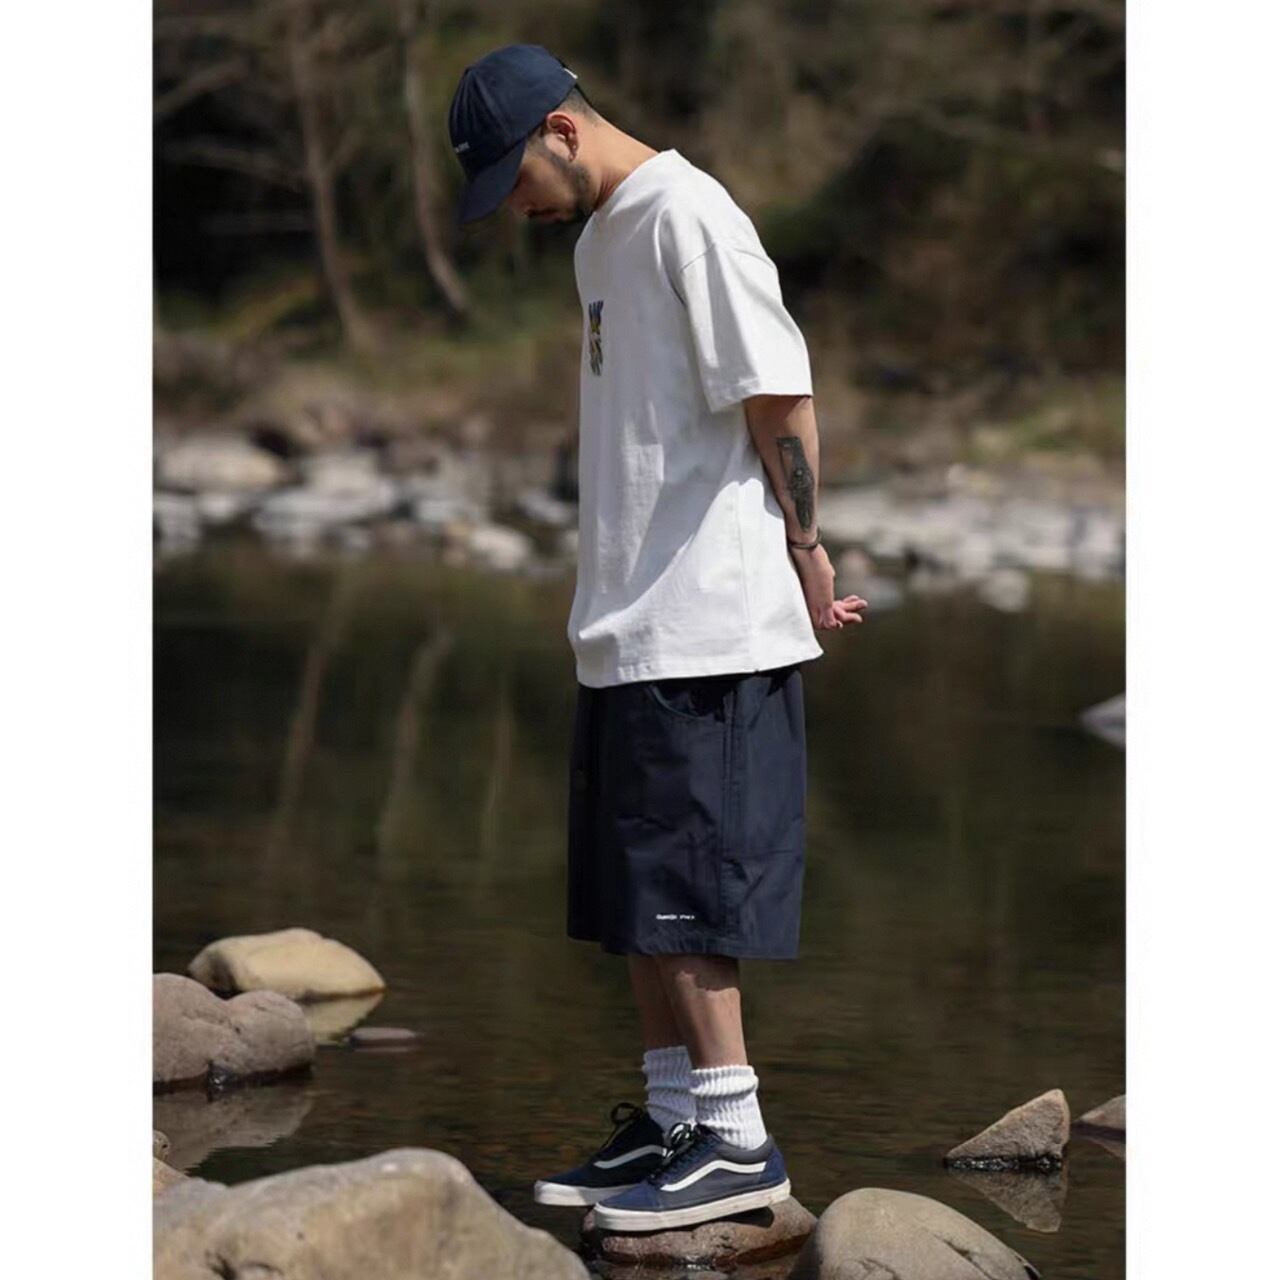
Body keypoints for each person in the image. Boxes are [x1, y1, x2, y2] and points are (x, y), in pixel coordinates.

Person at [447, 45, 867, 1233]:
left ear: (562, 131)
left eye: (514, 180)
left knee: (686, 896)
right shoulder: (599, 242)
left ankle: (738, 1138)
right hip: (627, 622)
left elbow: (777, 395)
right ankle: (676, 1117)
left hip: (707, 621)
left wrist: (804, 544)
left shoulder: (691, 216)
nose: (515, 209)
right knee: (636, 896)